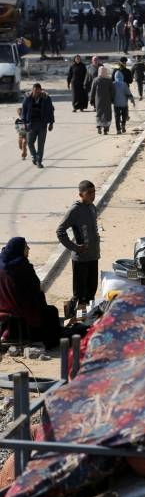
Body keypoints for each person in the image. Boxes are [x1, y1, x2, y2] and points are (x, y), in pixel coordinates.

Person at [0, 238, 63, 348]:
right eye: (25, 247)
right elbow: (35, 290)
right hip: (21, 310)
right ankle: (51, 343)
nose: (29, 249)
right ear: (19, 249)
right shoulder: (23, 267)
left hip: (3, 308)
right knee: (51, 312)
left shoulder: (2, 264)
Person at [56, 180, 100, 308]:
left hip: (93, 256)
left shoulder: (92, 208)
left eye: (94, 192)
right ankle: (74, 320)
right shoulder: (75, 210)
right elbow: (60, 231)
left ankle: (88, 322)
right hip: (81, 259)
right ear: (81, 195)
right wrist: (75, 247)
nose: (93, 195)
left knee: (91, 292)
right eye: (89, 193)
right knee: (80, 296)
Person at [20, 83, 54, 168]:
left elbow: (50, 110)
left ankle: (39, 161)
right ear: (32, 90)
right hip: (30, 124)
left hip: (42, 124)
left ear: (41, 91)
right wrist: (24, 123)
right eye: (35, 91)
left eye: (38, 92)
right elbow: (24, 111)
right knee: (30, 142)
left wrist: (51, 123)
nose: (36, 94)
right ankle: (34, 156)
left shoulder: (46, 99)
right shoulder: (27, 98)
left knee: (41, 144)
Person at [90, 66, 114, 135]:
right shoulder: (109, 80)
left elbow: (92, 91)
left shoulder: (96, 80)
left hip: (98, 100)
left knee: (99, 113)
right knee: (107, 114)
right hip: (107, 100)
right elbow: (112, 91)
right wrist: (112, 99)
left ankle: (99, 127)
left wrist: (91, 99)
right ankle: (106, 129)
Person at [112, 70, 135, 134]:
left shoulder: (113, 84)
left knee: (117, 116)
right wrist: (132, 100)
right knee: (124, 116)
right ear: (122, 76)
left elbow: (111, 93)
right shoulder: (124, 84)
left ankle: (118, 130)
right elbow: (128, 93)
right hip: (124, 103)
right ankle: (123, 125)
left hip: (116, 103)